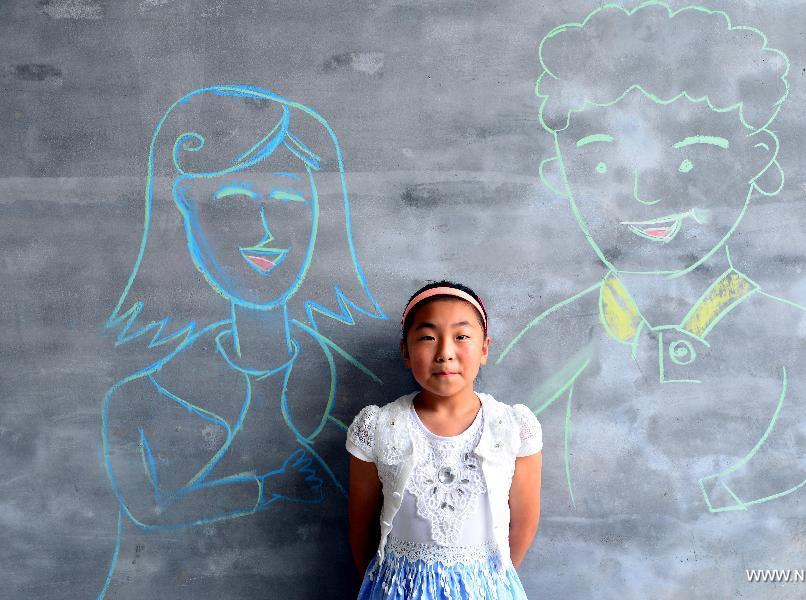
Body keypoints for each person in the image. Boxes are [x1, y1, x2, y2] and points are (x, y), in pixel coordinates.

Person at [495, 3, 806, 597]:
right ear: (559, 172)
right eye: (601, 161)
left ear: (757, 163)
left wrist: (721, 493)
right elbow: (490, 438)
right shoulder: (549, 344)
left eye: (692, 157)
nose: (645, 192)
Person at [98, 85, 385, 598]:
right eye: (233, 203)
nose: (266, 231)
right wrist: (267, 486)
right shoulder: (139, 399)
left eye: (290, 201)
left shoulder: (361, 401)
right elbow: (151, 514)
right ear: (186, 206)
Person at [346, 281, 542, 599]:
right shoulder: (379, 426)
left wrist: (485, 583)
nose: (445, 353)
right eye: (428, 338)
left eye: (461, 336)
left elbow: (523, 525)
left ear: (484, 349)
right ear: (406, 352)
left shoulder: (512, 427)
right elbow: (361, 528)